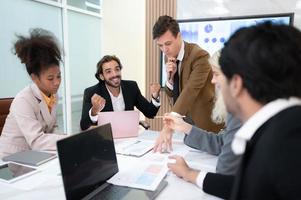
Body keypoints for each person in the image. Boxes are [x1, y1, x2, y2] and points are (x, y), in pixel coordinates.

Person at [168, 22, 301, 200]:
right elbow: (244, 187)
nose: (214, 83)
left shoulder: (278, 146)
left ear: (236, 84)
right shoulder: (284, 127)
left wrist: (190, 173)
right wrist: (190, 173)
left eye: (217, 76)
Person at [154, 51, 242, 175]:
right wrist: (184, 127)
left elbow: (224, 175)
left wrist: (189, 173)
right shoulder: (238, 109)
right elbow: (221, 142)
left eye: (216, 74)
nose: (212, 81)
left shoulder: (242, 113)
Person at [0, 28, 67, 158]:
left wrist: (68, 139)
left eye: (59, 76)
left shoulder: (53, 95)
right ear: (34, 78)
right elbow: (37, 141)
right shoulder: (23, 100)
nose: (56, 82)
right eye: (50, 78)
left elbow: (52, 127)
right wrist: (70, 139)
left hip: (35, 155)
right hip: (11, 159)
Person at [152, 15, 223, 133]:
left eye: (168, 43)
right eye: (160, 45)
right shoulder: (167, 56)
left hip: (204, 123)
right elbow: (172, 93)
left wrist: (170, 122)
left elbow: (190, 90)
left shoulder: (200, 56)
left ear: (179, 36)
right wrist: (170, 79)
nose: (165, 49)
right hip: (184, 123)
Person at [80, 55, 161, 130]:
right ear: (101, 76)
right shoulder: (92, 92)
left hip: (129, 136)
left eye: (117, 69)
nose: (115, 74)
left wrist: (155, 96)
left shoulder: (131, 87)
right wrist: (94, 111)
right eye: (109, 71)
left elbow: (150, 113)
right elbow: (84, 126)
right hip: (107, 139)